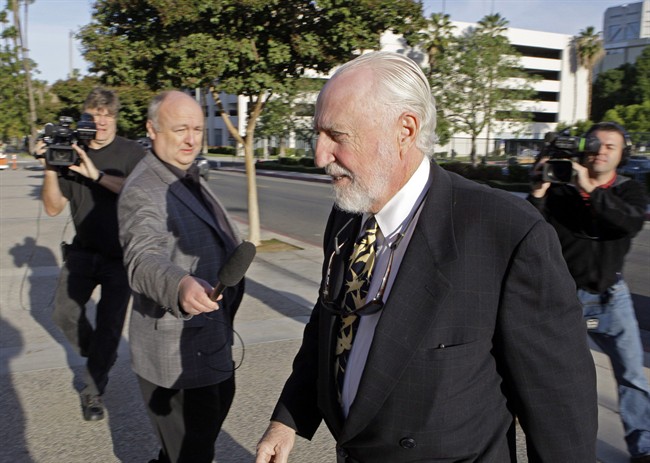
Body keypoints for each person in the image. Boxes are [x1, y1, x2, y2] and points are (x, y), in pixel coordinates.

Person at [255, 51, 598, 463]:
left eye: (337, 135)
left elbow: (559, 402)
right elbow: (329, 321)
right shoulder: (348, 214)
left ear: (405, 130)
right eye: (318, 134)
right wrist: (288, 419)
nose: (319, 155)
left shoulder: (505, 231)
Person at [118, 90, 244, 463]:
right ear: (152, 129)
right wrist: (179, 284)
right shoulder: (144, 188)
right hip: (176, 353)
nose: (191, 139)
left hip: (213, 338)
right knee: (192, 452)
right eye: (180, 129)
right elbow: (142, 257)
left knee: (194, 442)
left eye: (198, 129)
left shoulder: (186, 174)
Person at [528, 121, 650, 463]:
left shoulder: (628, 190)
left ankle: (644, 447)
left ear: (623, 154)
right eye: (595, 144)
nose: (601, 151)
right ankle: (561, 447)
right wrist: (537, 193)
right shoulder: (559, 188)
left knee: (631, 374)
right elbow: (533, 231)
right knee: (559, 377)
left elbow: (628, 222)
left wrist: (591, 190)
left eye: (611, 146)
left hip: (613, 297)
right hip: (565, 298)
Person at [39, 87, 145, 421]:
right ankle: (99, 352)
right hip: (82, 253)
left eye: (107, 115)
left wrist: (96, 176)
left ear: (115, 118)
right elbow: (53, 208)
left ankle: (93, 392)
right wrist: (50, 166)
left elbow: (141, 191)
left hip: (121, 257)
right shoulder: (72, 151)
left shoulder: (131, 152)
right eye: (94, 115)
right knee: (63, 314)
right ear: (84, 116)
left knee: (110, 327)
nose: (100, 122)